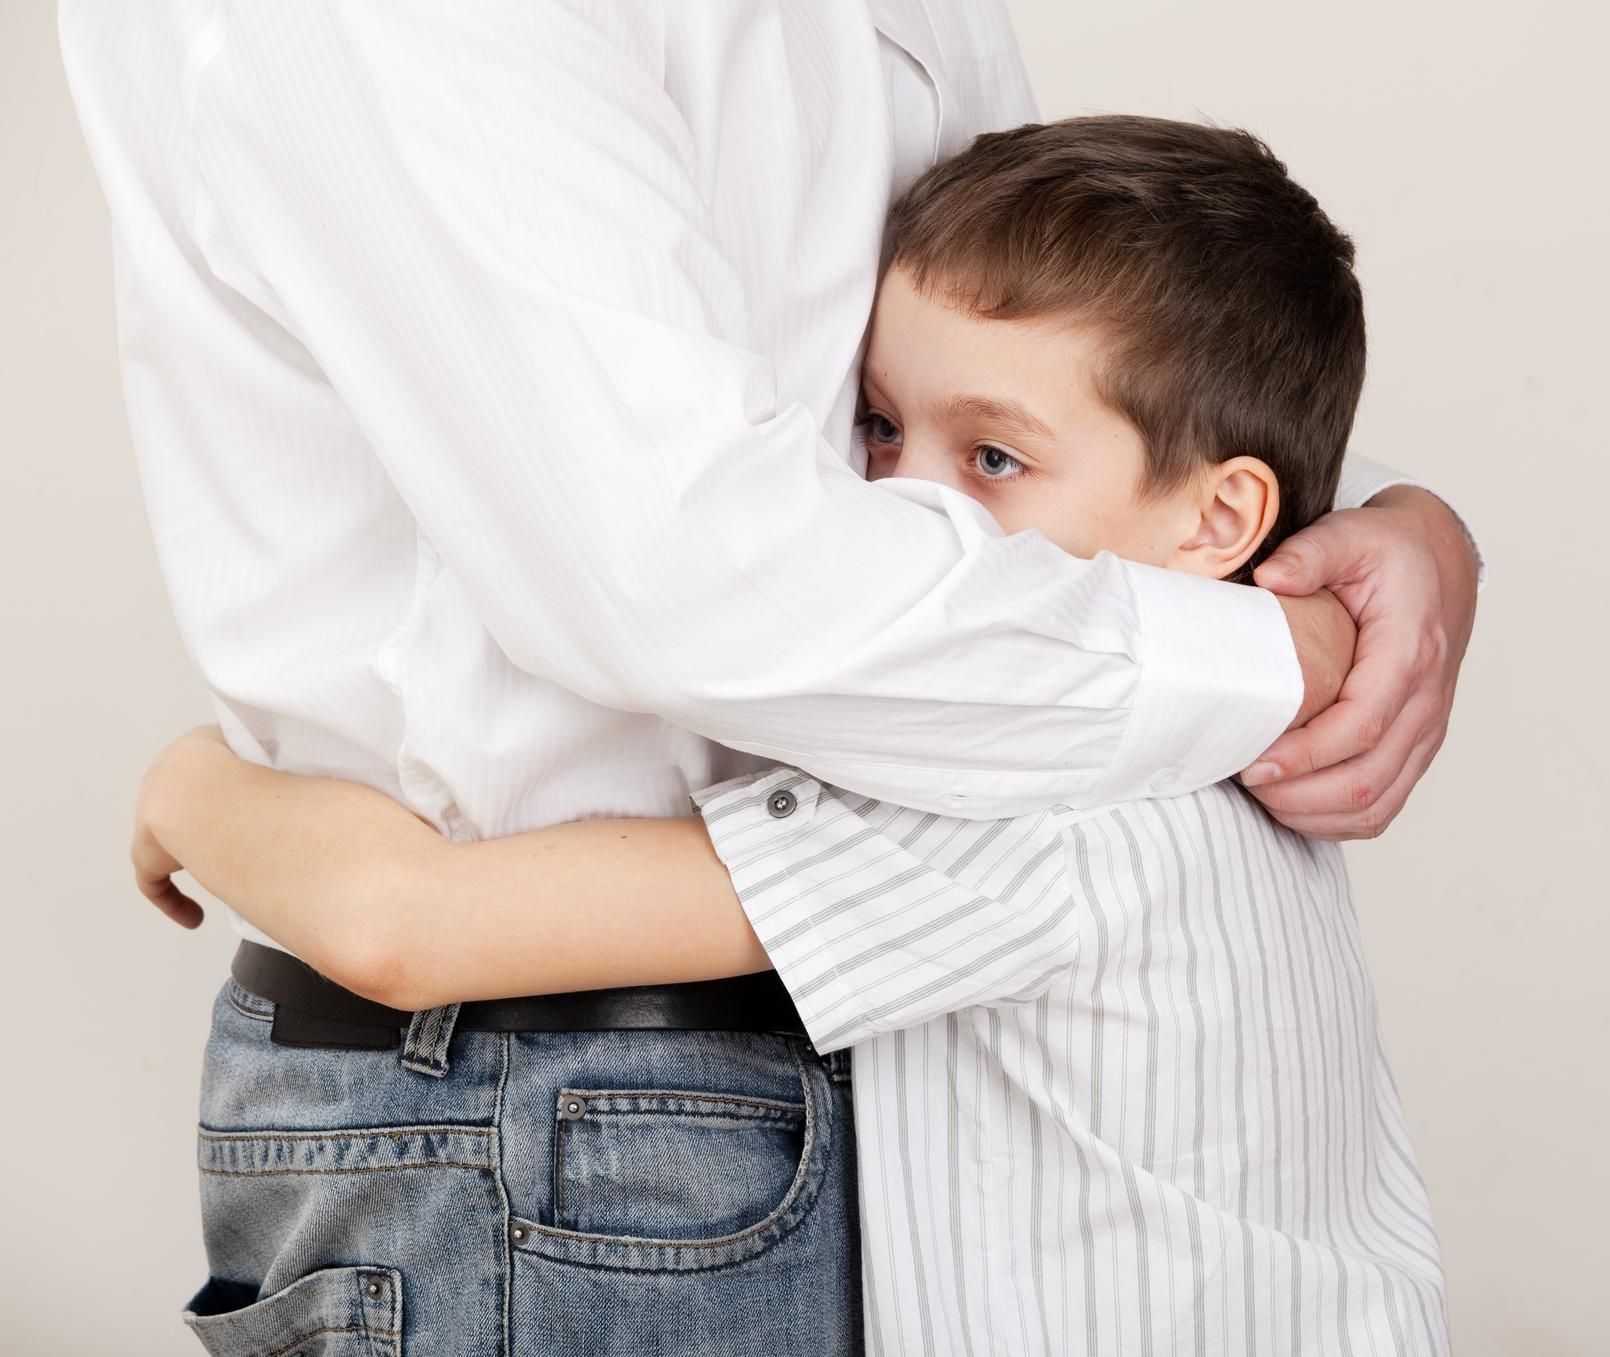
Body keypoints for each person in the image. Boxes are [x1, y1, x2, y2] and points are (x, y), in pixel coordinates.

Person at [64, 3, 1477, 1352]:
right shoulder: (1118, 729)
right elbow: (696, 555)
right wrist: (1298, 595)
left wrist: (191, 783)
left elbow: (399, 919)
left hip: (609, 1098)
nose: (895, 500)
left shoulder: (1040, 809)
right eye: (873, 427)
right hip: (558, 1122)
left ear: (1228, 513)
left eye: (985, 460)